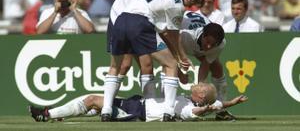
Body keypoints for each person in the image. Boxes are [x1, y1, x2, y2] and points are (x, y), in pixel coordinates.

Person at [102, 0, 202, 122]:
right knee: (171, 65)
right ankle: (169, 112)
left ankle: (106, 110)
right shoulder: (178, 3)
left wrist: (179, 56)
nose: (188, 7)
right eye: (190, 4)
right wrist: (181, 58)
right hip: (139, 23)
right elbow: (173, 35)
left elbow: (164, 33)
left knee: (115, 67)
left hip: (120, 20)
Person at [29, 82, 248, 122]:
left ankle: (46, 115)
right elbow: (216, 106)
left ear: (201, 97)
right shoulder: (187, 100)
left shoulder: (188, 107)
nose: (198, 84)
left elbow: (195, 113)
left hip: (138, 113)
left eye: (201, 87)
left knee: (93, 100)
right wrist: (232, 103)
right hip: (137, 104)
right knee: (94, 99)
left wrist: (208, 108)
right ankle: (54, 114)